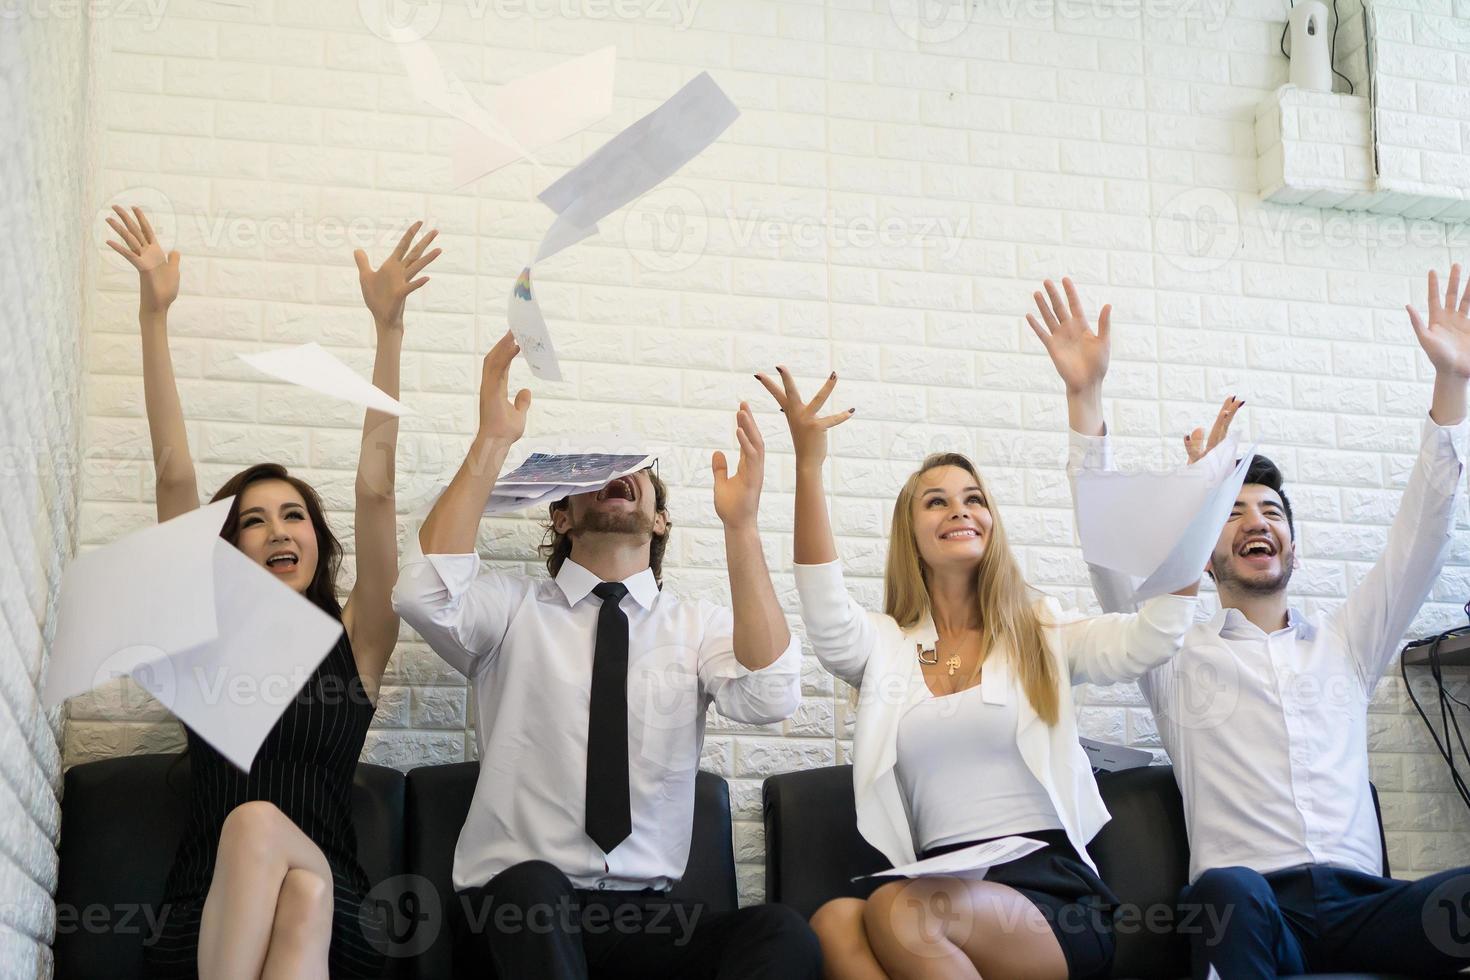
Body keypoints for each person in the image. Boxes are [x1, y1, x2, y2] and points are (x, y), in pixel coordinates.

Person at [1039, 270, 1470, 978]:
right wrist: (1084, 397)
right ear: (1205, 558)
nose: (1256, 522)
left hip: (1366, 908)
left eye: (1271, 512)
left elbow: (1421, 538)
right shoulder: (1172, 654)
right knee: (1228, 890)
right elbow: (1108, 557)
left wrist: (1451, 387)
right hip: (1255, 908)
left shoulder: (1345, 644)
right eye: (1233, 513)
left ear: (1292, 548)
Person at [391, 333, 821, 980]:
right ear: (560, 518)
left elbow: (771, 695)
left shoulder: (699, 627)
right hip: (513, 916)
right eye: (589, 475)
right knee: (531, 887)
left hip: (648, 921)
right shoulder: (511, 611)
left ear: (660, 521)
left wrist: (743, 525)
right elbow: (422, 592)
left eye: (635, 470)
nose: (615, 476)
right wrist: (491, 443)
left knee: (780, 934)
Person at [756, 364, 1201, 980]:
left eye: (974, 499)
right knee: (834, 922)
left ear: (991, 523)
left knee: (901, 911)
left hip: (1047, 894)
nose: (959, 510)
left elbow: (1152, 636)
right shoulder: (886, 646)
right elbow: (826, 613)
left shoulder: (1039, 631)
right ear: (911, 533)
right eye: (936, 501)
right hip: (937, 881)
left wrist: (1195, 530)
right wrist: (808, 464)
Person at [106, 205, 440, 979]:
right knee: (290, 890)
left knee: (274, 842)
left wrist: (389, 334)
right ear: (227, 549)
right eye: (252, 521)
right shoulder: (200, 638)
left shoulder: (356, 640)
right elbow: (173, 479)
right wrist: (153, 316)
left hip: (340, 906)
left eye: (294, 514)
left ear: (317, 539)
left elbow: (378, 494)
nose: (278, 529)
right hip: (207, 914)